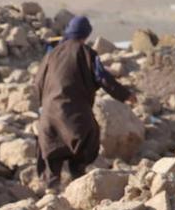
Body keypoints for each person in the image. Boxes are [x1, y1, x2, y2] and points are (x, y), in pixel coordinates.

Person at [34, 14, 137, 189]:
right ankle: (78, 179)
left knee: (51, 152)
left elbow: (37, 83)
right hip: (75, 116)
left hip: (49, 117)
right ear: (86, 34)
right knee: (88, 138)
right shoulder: (87, 53)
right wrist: (126, 95)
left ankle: (52, 192)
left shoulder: (51, 54)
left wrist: (44, 106)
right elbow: (103, 78)